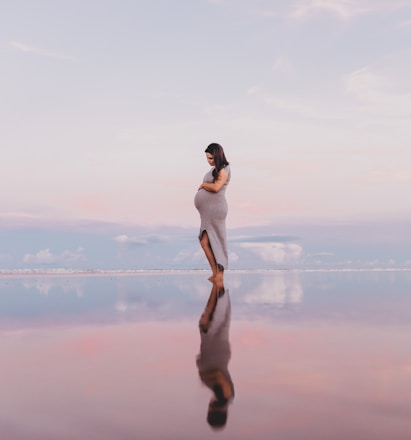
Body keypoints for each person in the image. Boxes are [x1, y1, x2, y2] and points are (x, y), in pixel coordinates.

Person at [196, 281, 234, 430]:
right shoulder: (224, 397)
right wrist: (205, 377)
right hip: (214, 345)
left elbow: (217, 376)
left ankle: (218, 283)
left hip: (213, 345)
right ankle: (218, 282)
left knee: (220, 306)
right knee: (218, 305)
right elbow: (218, 375)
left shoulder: (223, 397)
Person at [194, 143, 231, 283]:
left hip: (216, 210)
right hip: (207, 213)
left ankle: (220, 275)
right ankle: (215, 273)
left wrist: (203, 185)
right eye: (207, 158)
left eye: (211, 158)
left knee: (217, 240)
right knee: (204, 241)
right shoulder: (215, 169)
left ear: (218, 156)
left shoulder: (223, 170)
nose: (209, 161)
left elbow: (216, 187)